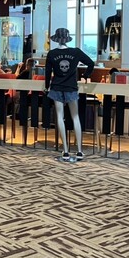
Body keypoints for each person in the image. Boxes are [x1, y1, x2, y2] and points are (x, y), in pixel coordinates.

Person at [45, 28, 95, 161]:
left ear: (56, 39)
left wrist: (46, 86)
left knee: (60, 117)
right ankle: (79, 151)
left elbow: (47, 72)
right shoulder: (76, 52)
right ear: (67, 39)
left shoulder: (52, 54)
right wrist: (86, 75)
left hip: (56, 87)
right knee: (75, 117)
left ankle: (66, 151)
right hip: (71, 87)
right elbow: (91, 63)